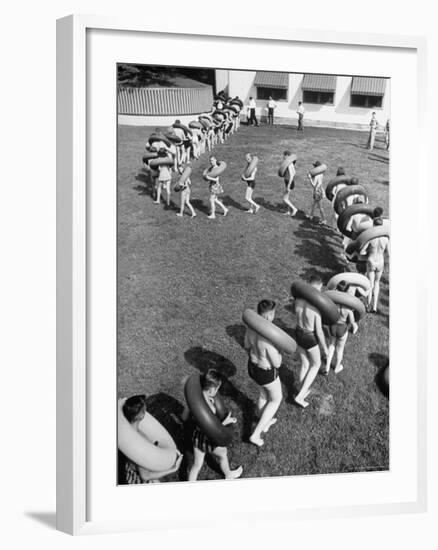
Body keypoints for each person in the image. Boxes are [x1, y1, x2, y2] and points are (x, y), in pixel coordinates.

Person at [187, 369, 243, 481]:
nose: (217, 392)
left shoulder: (194, 401)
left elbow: (185, 416)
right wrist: (226, 422)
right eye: (217, 389)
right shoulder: (211, 408)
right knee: (223, 454)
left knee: (197, 465)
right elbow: (212, 428)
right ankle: (228, 474)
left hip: (197, 438)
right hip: (208, 439)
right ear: (212, 388)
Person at [244, 299, 283, 447]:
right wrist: (279, 353)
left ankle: (265, 421)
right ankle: (256, 433)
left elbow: (247, 345)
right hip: (265, 372)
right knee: (276, 399)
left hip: (252, 367)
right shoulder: (268, 339)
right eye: (273, 313)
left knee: (262, 395)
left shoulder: (249, 328)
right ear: (268, 316)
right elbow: (277, 363)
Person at [119, 396, 182, 483]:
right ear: (141, 415)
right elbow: (145, 476)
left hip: (129, 469)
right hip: (136, 480)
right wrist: (173, 469)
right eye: (145, 410)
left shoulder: (125, 430)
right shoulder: (139, 444)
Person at [292, 275, 329, 408]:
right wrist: (325, 348)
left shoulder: (298, 301)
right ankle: (300, 396)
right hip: (309, 336)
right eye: (319, 290)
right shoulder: (316, 308)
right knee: (316, 364)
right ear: (317, 289)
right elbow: (319, 331)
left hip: (298, 331)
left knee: (305, 364)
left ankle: (303, 389)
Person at [323, 281, 358, 375]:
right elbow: (352, 322)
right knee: (340, 349)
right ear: (347, 291)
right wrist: (355, 327)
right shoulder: (348, 308)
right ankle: (337, 368)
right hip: (342, 329)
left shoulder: (333, 303)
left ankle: (326, 368)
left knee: (331, 346)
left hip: (333, 327)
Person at [362, 217, 390, 313]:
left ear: (373, 225)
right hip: (380, 261)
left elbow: (362, 251)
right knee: (377, 283)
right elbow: (388, 253)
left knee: (370, 283)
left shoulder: (370, 237)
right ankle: (374, 306)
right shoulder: (386, 238)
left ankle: (367, 304)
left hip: (371, 260)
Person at [281, 151, 298, 216]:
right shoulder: (289, 164)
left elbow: (291, 175)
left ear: (287, 156)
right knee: (286, 197)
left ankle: (294, 209)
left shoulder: (289, 164)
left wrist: (288, 185)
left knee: (284, 199)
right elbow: (294, 172)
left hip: (289, 183)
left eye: (284, 155)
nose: (283, 157)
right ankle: (288, 211)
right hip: (288, 182)